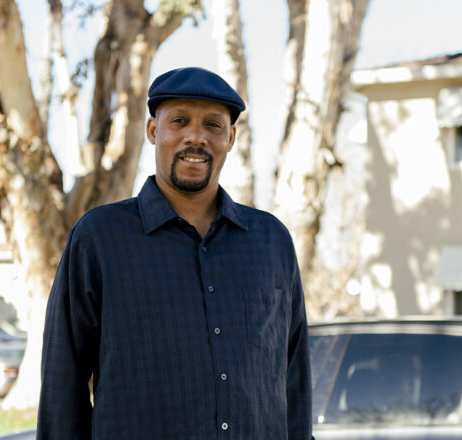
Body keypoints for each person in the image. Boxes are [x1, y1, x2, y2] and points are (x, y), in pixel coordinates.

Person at [37, 67, 312, 439]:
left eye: (213, 125)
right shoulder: (99, 238)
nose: (195, 137)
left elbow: (293, 376)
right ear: (153, 131)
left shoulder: (271, 241)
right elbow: (62, 378)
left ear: (230, 137)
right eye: (179, 121)